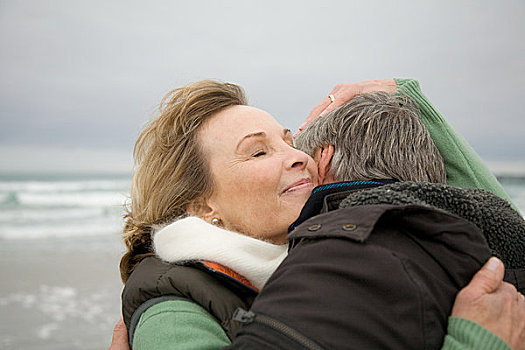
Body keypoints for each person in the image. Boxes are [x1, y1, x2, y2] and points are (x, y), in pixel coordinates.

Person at [111, 78, 524, 350]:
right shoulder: (173, 303)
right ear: (203, 205)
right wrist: (477, 342)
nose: (297, 157)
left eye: (290, 141)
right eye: (258, 151)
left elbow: (495, 225)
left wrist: (405, 95)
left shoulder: (323, 258)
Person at [227, 91, 525, 349]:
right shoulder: (494, 244)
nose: (295, 164)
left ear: (324, 159)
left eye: (298, 153)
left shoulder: (338, 257)